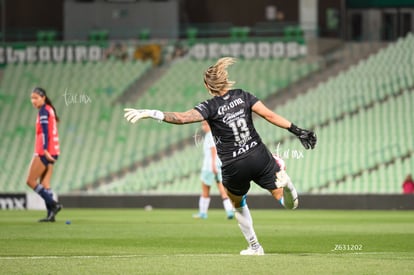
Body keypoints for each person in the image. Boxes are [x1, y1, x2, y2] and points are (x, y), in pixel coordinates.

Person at [124, 57, 316, 255]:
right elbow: (270, 115)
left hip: (234, 165)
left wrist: (151, 112)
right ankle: (287, 185)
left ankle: (255, 246)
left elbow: (181, 118)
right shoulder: (243, 96)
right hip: (258, 155)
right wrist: (298, 131)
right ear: (226, 80)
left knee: (238, 203)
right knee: (287, 203)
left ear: (208, 86)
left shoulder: (209, 106)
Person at [27, 87, 63, 222]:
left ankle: (54, 205)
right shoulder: (50, 109)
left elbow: (45, 131)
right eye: (32, 98)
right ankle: (51, 215)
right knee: (45, 183)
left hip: (44, 151)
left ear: (43, 97)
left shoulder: (43, 111)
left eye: (36, 98)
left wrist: (45, 150)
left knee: (30, 181)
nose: (33, 101)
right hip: (54, 150)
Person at [193, 121, 234, 220]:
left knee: (205, 189)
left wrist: (212, 166)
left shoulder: (210, 135)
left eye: (204, 124)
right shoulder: (216, 134)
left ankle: (203, 213)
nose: (203, 127)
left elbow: (213, 150)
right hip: (218, 165)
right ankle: (229, 211)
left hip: (209, 167)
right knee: (222, 190)